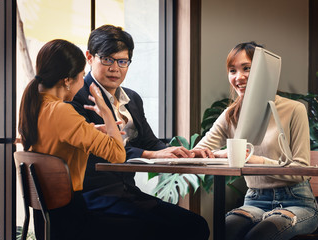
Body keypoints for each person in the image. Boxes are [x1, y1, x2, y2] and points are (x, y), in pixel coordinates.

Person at [70, 24, 210, 240]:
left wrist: (180, 152)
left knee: (196, 225)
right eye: (107, 59)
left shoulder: (132, 99)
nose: (115, 68)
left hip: (129, 195)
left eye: (122, 61)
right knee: (183, 228)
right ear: (89, 57)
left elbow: (151, 143)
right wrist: (151, 155)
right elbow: (100, 152)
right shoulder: (77, 98)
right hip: (95, 197)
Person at [193, 41, 318, 240]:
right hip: (254, 201)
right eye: (232, 70)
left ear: (264, 73)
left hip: (297, 201)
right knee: (224, 231)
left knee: (260, 235)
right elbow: (199, 153)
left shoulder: (294, 109)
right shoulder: (231, 115)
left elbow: (300, 169)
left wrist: (253, 159)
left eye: (246, 69)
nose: (238, 77)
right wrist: (222, 153)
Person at [18, 39, 126, 239]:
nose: (83, 83)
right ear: (67, 80)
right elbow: (118, 155)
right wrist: (106, 111)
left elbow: (57, 138)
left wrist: (91, 130)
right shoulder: (61, 110)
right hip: (73, 219)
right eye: (81, 76)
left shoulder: (35, 105)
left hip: (49, 220)